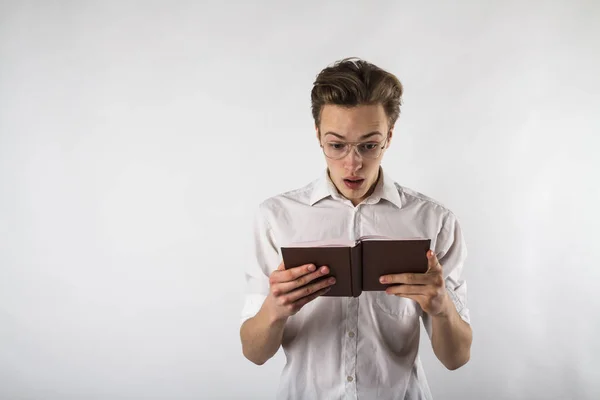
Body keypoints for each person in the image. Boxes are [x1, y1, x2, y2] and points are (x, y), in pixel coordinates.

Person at [239, 57, 472, 400]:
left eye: (369, 145)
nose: (353, 163)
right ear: (318, 135)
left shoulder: (434, 221)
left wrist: (442, 308)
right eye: (337, 145)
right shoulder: (275, 217)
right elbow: (254, 352)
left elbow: (457, 358)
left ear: (389, 137)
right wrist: (274, 309)